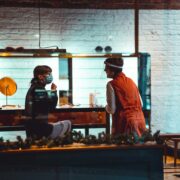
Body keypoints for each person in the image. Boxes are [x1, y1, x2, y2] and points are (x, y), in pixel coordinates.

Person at [25, 65, 71, 139]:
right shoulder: (39, 89)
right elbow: (51, 107)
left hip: (33, 129)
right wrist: (53, 91)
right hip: (40, 130)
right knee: (68, 123)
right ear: (40, 76)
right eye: (48, 74)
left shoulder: (34, 87)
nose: (50, 76)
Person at [104, 58, 146, 137]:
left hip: (125, 123)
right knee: (140, 148)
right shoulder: (131, 81)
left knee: (123, 148)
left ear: (113, 70)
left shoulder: (112, 84)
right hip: (140, 121)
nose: (104, 70)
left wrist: (106, 107)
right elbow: (141, 104)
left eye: (106, 68)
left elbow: (112, 109)